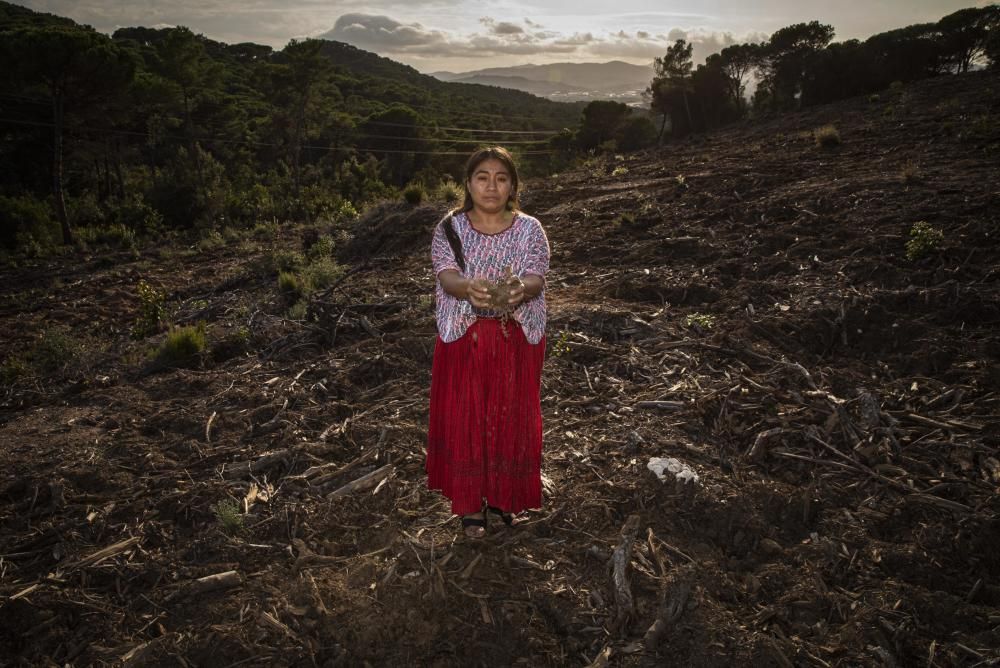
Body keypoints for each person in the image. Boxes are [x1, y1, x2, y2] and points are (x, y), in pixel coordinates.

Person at [426, 146, 550, 538]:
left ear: (512, 185)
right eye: (482, 177)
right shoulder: (450, 228)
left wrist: (520, 290)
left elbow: (536, 275)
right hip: (464, 337)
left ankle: (501, 497)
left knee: (508, 414)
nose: (491, 186)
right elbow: (446, 274)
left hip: (514, 337)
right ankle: (470, 504)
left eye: (500, 178)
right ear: (468, 183)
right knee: (467, 416)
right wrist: (468, 288)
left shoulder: (531, 229)